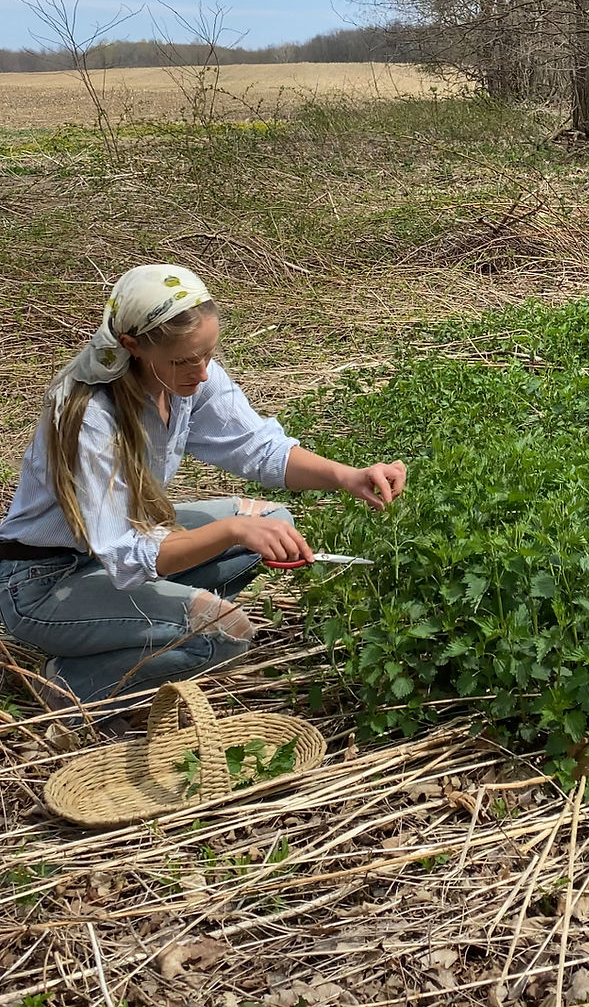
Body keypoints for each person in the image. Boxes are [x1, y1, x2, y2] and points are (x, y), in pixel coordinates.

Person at [0, 263, 406, 718]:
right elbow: (126, 551)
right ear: (132, 346)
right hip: (43, 585)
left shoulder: (185, 380)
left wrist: (347, 476)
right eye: (184, 360)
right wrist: (231, 531)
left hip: (107, 561)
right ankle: (74, 685)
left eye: (208, 354)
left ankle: (139, 634)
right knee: (224, 632)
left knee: (272, 525)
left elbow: (258, 447)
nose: (203, 372)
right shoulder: (90, 415)